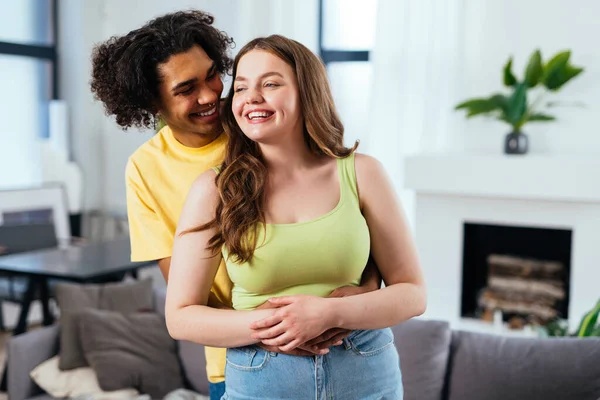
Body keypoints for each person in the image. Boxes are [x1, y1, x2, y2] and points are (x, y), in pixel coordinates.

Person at [90, 11, 382, 400]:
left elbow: (347, 219)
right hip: (243, 353)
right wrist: (276, 328)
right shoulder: (146, 170)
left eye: (212, 75)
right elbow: (184, 289)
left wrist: (363, 290)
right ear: (151, 99)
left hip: (334, 334)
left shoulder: (259, 122)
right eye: (186, 89)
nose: (211, 95)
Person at [165, 35, 427, 399]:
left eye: (270, 83)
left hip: (365, 375)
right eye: (241, 88)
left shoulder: (362, 174)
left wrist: (331, 314)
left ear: (307, 91)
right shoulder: (213, 189)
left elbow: (413, 294)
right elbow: (180, 317)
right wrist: (280, 325)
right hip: (260, 382)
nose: (252, 97)